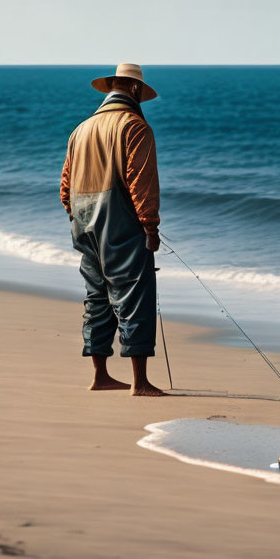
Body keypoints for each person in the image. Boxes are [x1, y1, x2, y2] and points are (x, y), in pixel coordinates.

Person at [60, 63, 166, 396]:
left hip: (82, 221)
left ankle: (100, 376)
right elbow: (140, 184)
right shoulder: (133, 126)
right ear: (134, 90)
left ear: (111, 89)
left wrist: (78, 216)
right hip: (119, 221)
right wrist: (150, 227)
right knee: (135, 296)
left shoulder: (80, 130)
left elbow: (65, 188)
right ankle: (141, 382)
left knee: (97, 298)